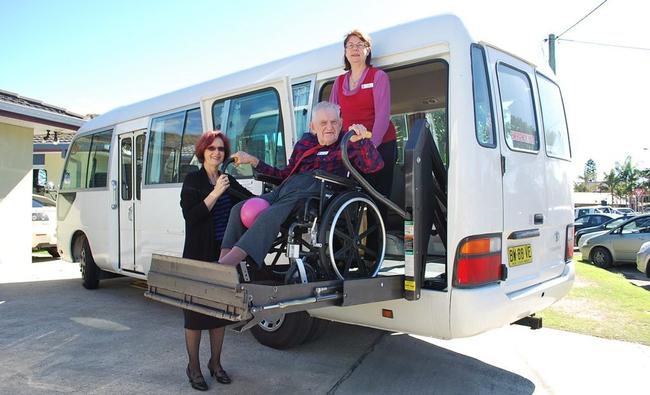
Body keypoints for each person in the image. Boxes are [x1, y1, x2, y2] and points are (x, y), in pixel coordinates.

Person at [217, 101, 383, 272]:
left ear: (341, 124)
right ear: (313, 126)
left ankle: (226, 266)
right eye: (323, 123)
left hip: (318, 192)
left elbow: (375, 166)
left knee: (270, 213)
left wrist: (362, 141)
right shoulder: (305, 144)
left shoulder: (348, 142)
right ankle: (223, 260)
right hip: (289, 187)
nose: (329, 127)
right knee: (238, 209)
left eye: (334, 122)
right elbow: (284, 175)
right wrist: (253, 160)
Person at [179, 131, 252, 391]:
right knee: (195, 316)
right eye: (211, 148)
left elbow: (247, 202)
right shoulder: (193, 179)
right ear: (202, 151)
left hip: (222, 255)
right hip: (198, 255)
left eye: (221, 149)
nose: (217, 152)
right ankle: (194, 367)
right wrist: (215, 193)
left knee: (220, 314)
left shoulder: (227, 179)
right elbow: (192, 216)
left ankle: (216, 363)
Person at [329, 29, 397, 199]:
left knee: (378, 196)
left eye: (360, 45)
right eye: (350, 45)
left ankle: (381, 225)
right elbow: (333, 117)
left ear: (368, 50)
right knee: (352, 195)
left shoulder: (378, 77)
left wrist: (371, 147)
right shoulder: (338, 82)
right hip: (352, 147)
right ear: (345, 52)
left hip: (380, 145)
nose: (355, 49)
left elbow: (382, 116)